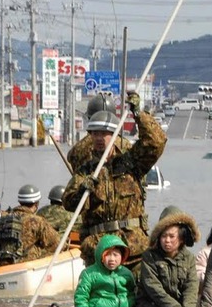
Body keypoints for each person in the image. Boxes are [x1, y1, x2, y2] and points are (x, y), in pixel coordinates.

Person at [62, 92, 168, 272]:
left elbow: (156, 142)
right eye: (94, 134)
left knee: (141, 292)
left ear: (115, 135)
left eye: (104, 134)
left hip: (132, 246)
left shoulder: (131, 162)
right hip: (98, 248)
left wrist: (138, 114)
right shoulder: (87, 170)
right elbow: (68, 201)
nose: (98, 138)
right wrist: (82, 190)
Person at [135, 205, 201, 307]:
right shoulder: (149, 256)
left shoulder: (189, 258)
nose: (167, 240)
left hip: (179, 306)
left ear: (181, 238)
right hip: (152, 304)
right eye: (164, 236)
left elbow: (191, 286)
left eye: (172, 236)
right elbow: (153, 288)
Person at [74, 234, 147, 307]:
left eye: (116, 255)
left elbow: (132, 293)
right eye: (108, 254)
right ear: (101, 256)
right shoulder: (89, 274)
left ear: (122, 256)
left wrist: (128, 305)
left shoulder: (126, 273)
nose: (112, 259)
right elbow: (81, 298)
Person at [0, 184, 60, 266]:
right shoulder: (38, 221)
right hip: (24, 265)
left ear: (19, 202)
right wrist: (40, 251)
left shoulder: (4, 216)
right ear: (36, 204)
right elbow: (57, 243)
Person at [66, 93, 132, 173]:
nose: (99, 138)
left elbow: (72, 160)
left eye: (104, 133)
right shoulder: (125, 145)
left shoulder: (79, 148)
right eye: (96, 133)